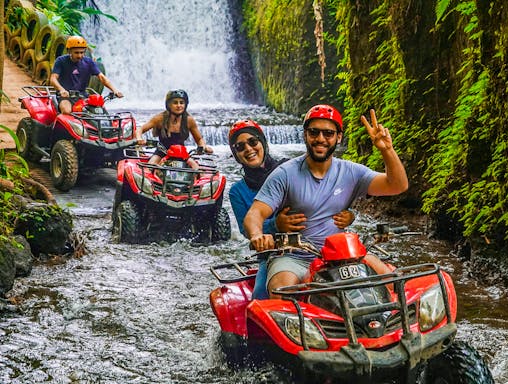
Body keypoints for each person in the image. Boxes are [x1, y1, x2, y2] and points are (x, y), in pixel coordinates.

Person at [244, 105, 409, 298]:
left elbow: (396, 186)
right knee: (281, 291)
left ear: (338, 137)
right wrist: (257, 235)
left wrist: (387, 150)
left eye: (328, 133)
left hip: (342, 254)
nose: (320, 139)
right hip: (294, 256)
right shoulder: (285, 174)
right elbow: (255, 213)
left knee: (392, 283)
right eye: (314, 132)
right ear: (305, 135)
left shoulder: (352, 172)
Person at [228, 119, 354, 299]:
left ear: (262, 142)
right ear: (235, 154)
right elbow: (245, 230)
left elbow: (325, 196)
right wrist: (275, 226)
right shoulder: (237, 192)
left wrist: (349, 215)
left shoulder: (290, 169)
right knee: (261, 295)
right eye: (240, 147)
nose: (248, 149)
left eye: (253, 142)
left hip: (318, 245)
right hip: (275, 253)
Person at [135, 89, 213, 169]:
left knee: (198, 171)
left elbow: (199, 139)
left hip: (181, 153)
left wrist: (204, 147)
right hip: (161, 152)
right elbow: (140, 129)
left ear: (185, 105)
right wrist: (139, 138)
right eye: (175, 103)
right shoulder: (159, 118)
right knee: (149, 169)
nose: (179, 105)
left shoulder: (189, 120)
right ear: (169, 105)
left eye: (181, 103)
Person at [50, 35, 123, 115]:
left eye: (82, 52)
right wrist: (61, 90)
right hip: (65, 96)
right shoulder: (61, 61)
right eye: (76, 53)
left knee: (101, 111)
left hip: (83, 95)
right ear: (69, 51)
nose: (79, 55)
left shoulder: (88, 62)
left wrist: (115, 90)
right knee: (66, 111)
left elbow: (101, 77)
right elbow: (53, 78)